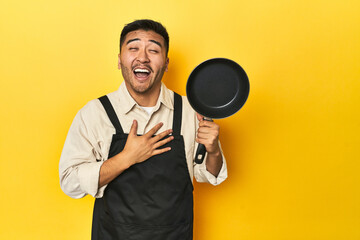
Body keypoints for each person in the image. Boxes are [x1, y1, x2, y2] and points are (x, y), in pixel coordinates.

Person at [59, 19, 227, 240]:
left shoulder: (190, 111)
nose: (143, 57)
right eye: (133, 48)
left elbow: (209, 174)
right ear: (120, 60)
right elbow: (70, 182)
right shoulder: (95, 113)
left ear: (166, 63)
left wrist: (213, 150)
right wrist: (126, 158)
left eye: (153, 50)